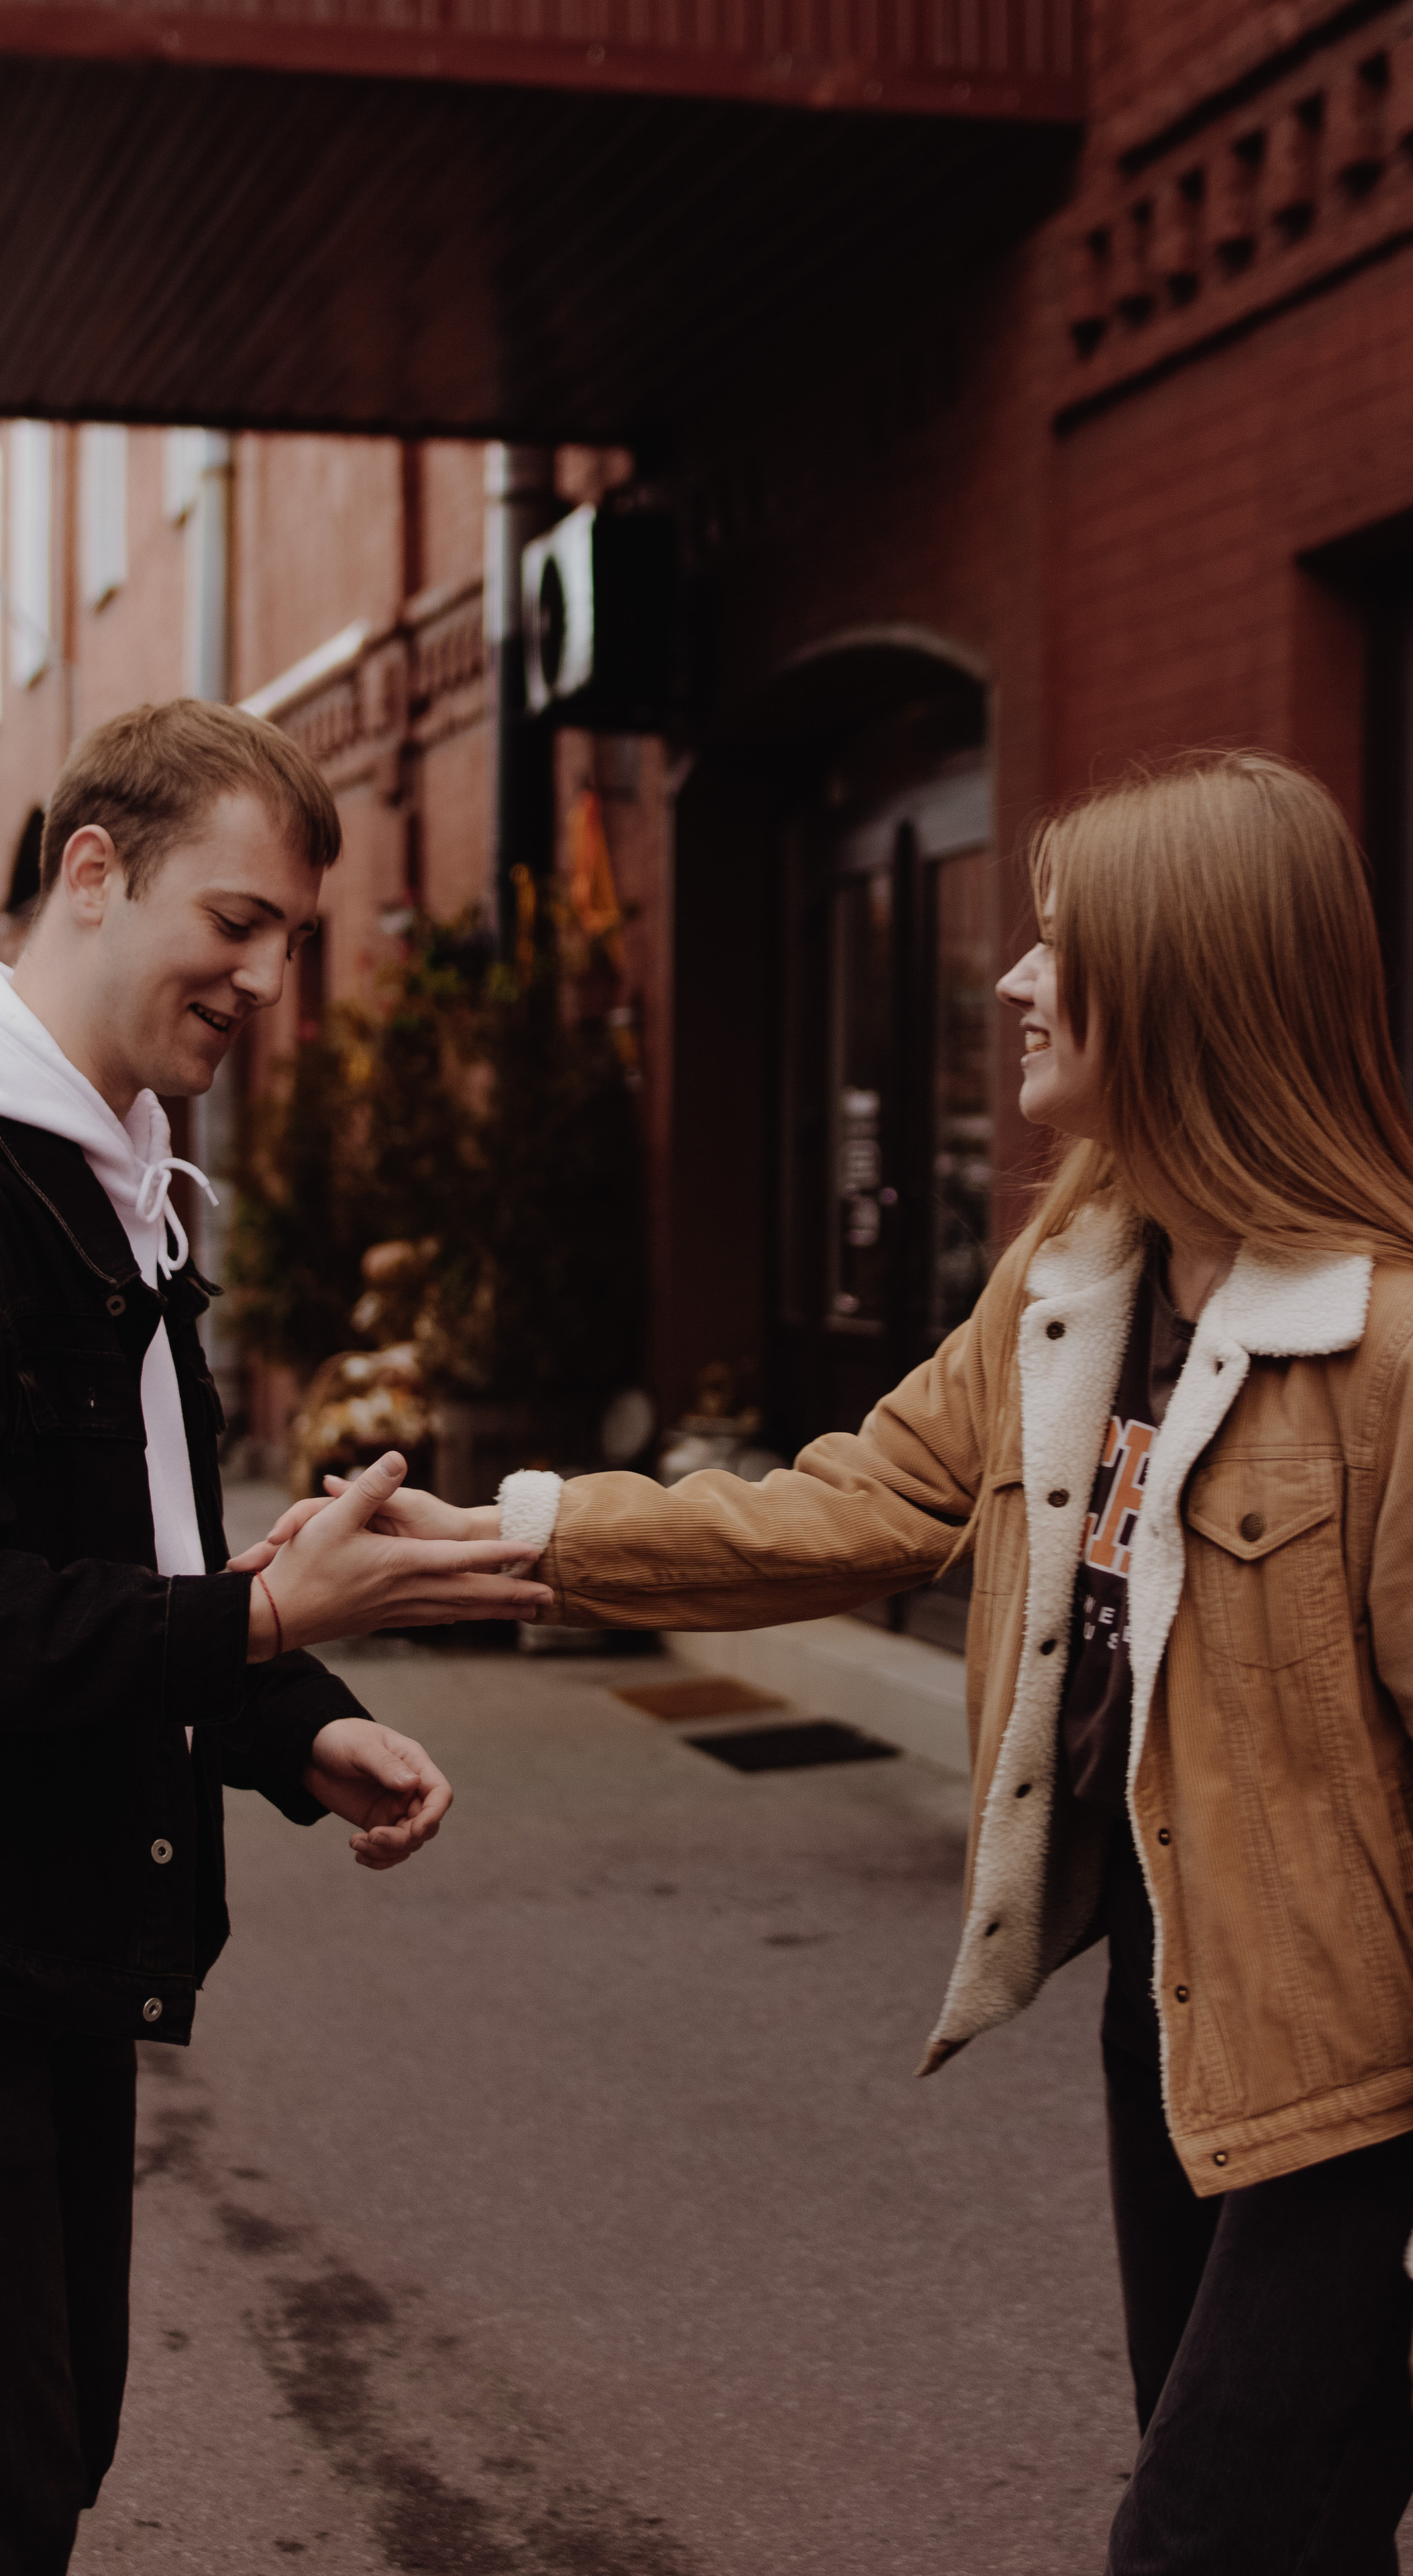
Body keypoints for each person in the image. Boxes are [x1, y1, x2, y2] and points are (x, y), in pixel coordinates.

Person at [263, 749, 1413, 2573]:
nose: (1014, 980)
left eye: (1063, 947)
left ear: (1187, 984)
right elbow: (863, 1499)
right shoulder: (1075, 1282)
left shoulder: (1383, 1354)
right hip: (1180, 2030)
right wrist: (500, 1544)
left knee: (1192, 2545)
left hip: (1359, 2095)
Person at [0, 698, 551, 2576]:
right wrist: (261, 1617)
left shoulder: (106, 1182)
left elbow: (117, 1550)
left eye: (293, 944)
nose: (267, 977)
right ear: (93, 871)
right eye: (236, 921)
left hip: (4, 1935)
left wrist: (288, 1716)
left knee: (33, 2465)